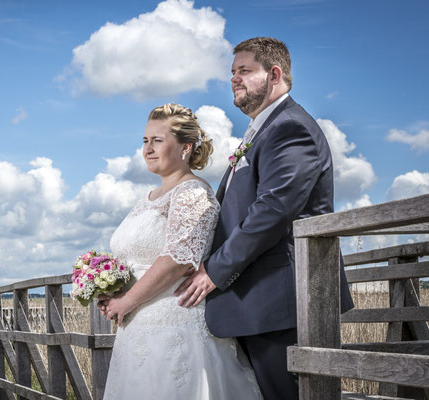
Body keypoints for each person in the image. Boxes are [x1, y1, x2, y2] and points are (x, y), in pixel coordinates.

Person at [175, 37, 354, 400]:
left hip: (281, 299)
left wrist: (213, 270)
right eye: (232, 72)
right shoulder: (264, 129)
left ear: (274, 74)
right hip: (258, 300)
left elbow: (272, 211)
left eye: (244, 71)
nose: (234, 79)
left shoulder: (291, 127)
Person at [97, 104, 262, 399]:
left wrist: (127, 301)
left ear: (186, 147)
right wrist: (111, 289)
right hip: (136, 328)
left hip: (173, 325)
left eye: (157, 140)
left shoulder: (192, 193)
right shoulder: (147, 199)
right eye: (145, 141)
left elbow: (177, 260)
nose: (148, 148)